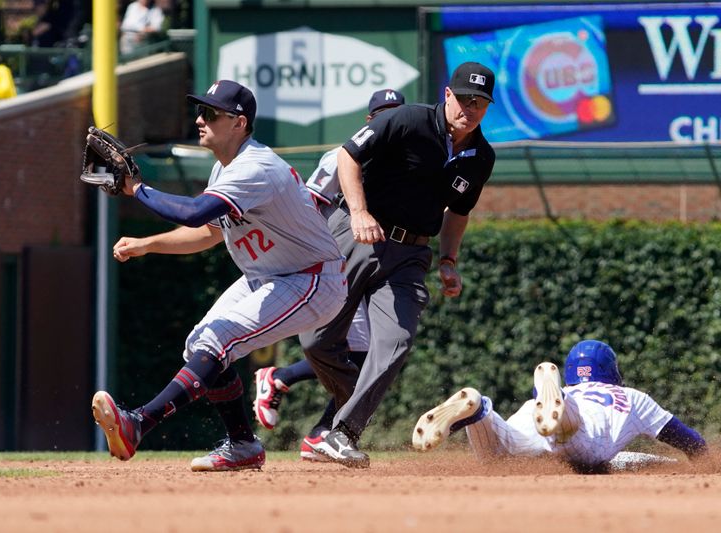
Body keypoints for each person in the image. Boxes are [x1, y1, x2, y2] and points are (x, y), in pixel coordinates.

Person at [91, 79, 347, 471]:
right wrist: (148, 244)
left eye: (211, 113)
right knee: (200, 345)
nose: (199, 120)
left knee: (218, 339)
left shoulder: (255, 167)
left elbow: (194, 212)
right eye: (200, 111)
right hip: (269, 276)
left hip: (311, 278)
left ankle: (139, 422)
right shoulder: (223, 168)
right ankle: (243, 445)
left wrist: (137, 189)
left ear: (239, 123)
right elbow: (208, 232)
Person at [297, 62, 497, 468]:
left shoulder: (481, 156)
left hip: (410, 255)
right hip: (358, 235)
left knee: (396, 342)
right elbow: (348, 157)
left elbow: (458, 211)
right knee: (316, 342)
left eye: (480, 102)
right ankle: (353, 399)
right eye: (464, 99)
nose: (470, 108)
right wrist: (357, 212)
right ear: (447, 94)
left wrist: (448, 259)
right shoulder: (408, 120)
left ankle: (342, 432)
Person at [252, 89, 406, 461]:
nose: (389, 121)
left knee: (366, 356)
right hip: (336, 264)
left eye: (395, 115)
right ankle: (310, 415)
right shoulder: (343, 155)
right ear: (369, 121)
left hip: (372, 265)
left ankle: (312, 419)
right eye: (382, 114)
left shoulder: (407, 161)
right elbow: (309, 205)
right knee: (352, 354)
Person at [413, 340, 708, 473]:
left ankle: (479, 412)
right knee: (574, 437)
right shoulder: (632, 397)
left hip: (536, 415)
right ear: (611, 371)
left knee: (498, 457)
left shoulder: (563, 391)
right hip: (581, 427)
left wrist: (664, 466)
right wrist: (705, 461)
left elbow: (622, 460)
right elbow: (689, 440)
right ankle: (564, 414)